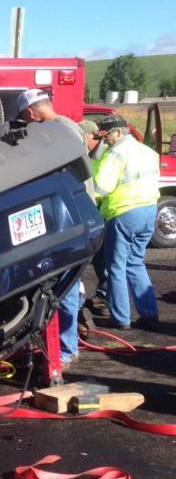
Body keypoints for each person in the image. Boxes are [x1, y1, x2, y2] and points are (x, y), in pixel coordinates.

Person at [16, 89, 88, 365]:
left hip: (68, 218)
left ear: (32, 112)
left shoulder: (53, 133)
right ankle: (60, 345)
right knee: (67, 282)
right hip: (75, 215)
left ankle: (65, 349)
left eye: (26, 117)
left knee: (63, 285)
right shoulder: (69, 127)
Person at [93, 114, 160, 330]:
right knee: (136, 262)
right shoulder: (148, 151)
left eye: (107, 135)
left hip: (124, 213)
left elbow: (101, 187)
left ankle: (120, 318)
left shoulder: (116, 154)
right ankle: (149, 313)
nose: (106, 140)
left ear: (119, 132)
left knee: (116, 267)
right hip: (149, 211)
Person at [78, 120, 109, 315]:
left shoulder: (103, 155)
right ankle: (103, 295)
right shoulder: (89, 155)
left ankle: (105, 297)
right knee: (97, 257)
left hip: (102, 210)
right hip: (95, 210)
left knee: (102, 257)